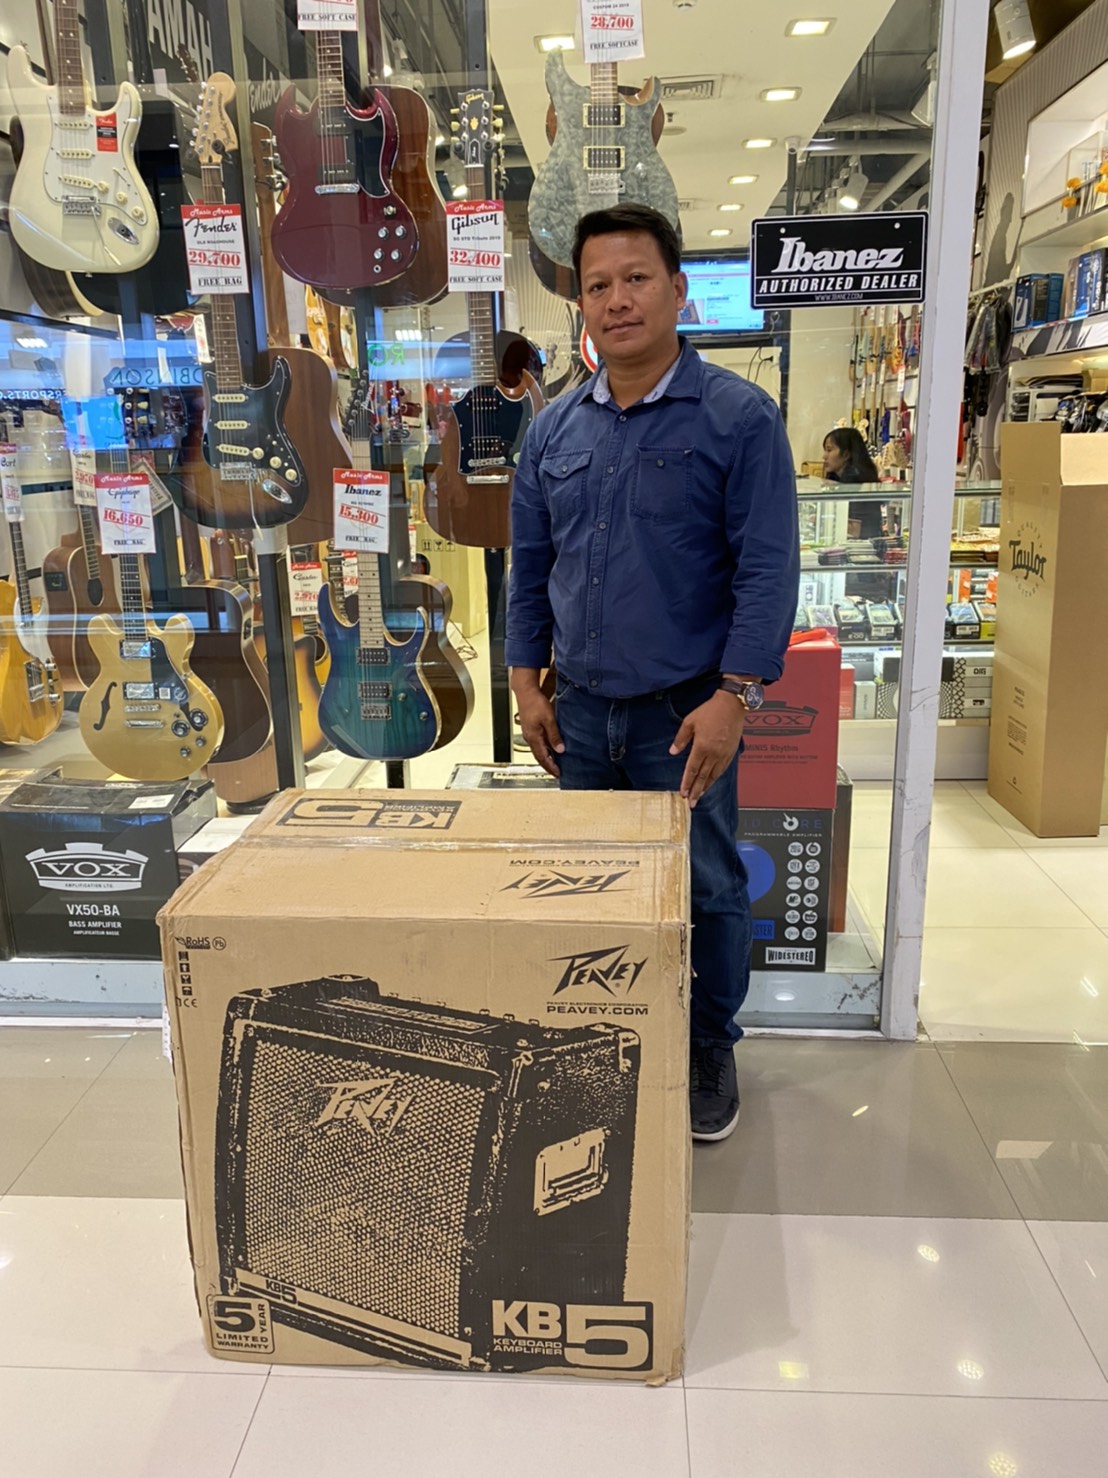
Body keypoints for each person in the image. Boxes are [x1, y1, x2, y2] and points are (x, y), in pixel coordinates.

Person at [506, 203, 799, 1142]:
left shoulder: (739, 419)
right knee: (589, 884)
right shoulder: (553, 432)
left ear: (678, 291)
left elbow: (767, 570)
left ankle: (708, 1046)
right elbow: (529, 565)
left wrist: (736, 697)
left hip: (686, 716)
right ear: (581, 306)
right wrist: (524, 680)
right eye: (598, 285)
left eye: (636, 279)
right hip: (580, 713)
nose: (617, 300)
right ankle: (601, 1041)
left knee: (706, 886)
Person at [821, 426, 883, 539]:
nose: (824, 456)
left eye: (829, 450)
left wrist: (824, 519)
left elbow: (856, 530)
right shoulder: (840, 481)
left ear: (846, 454)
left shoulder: (856, 483)